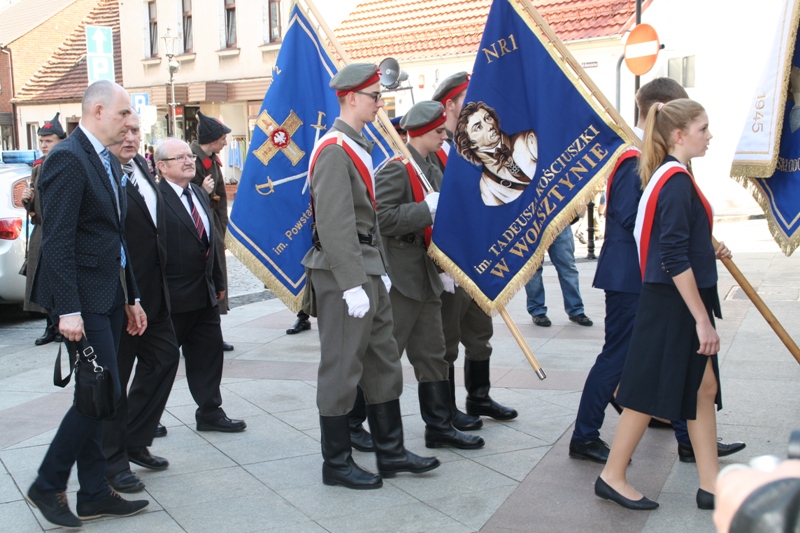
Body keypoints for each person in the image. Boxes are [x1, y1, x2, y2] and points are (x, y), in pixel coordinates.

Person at [569, 78, 745, 465]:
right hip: (633, 278)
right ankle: (584, 436)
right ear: (662, 111)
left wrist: (700, 242)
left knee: (679, 359)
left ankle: (690, 439)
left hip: (655, 277)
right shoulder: (634, 159)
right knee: (619, 358)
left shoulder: (658, 160)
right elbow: (637, 222)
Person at [302, 63, 439, 489]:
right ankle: (336, 463)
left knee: (382, 362)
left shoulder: (356, 145)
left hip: (369, 267)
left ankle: (391, 452)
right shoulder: (333, 149)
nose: (381, 103)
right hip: (344, 272)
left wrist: (378, 270)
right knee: (342, 368)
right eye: (375, 96)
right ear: (351, 99)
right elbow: (334, 223)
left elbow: (370, 219)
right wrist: (350, 282)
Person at [26, 80, 149, 528]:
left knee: (102, 395)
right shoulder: (67, 158)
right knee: (101, 393)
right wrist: (68, 309)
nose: (128, 124)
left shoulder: (104, 160)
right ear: (97, 111)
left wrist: (131, 295)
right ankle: (48, 482)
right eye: (123, 115)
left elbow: (113, 238)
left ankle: (94, 491)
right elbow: (57, 241)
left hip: (109, 296)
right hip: (84, 301)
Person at [596, 98, 727, 511]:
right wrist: (702, 320)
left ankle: (711, 485)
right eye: (703, 128)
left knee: (703, 388)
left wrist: (709, 249)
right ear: (679, 134)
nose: (709, 136)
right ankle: (612, 476)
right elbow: (671, 256)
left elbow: (679, 242)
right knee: (645, 391)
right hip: (674, 302)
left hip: (677, 299)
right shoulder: (673, 181)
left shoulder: (671, 176)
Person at [375, 100, 484, 450]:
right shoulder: (397, 168)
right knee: (385, 355)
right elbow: (383, 218)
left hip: (428, 274)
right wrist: (424, 210)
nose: (444, 136)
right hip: (403, 275)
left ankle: (439, 427)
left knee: (433, 353)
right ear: (421, 132)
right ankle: (354, 423)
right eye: (438, 131)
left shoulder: (432, 167)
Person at [431, 71, 518, 430]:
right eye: (467, 99)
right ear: (450, 105)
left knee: (480, 330)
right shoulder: (436, 149)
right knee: (448, 337)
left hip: (478, 256)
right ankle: (448, 409)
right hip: (452, 260)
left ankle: (478, 395)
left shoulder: (473, 146)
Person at [103, 113, 180, 493]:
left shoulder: (142, 170)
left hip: (155, 295)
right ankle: (112, 461)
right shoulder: (103, 173)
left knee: (165, 358)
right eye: (124, 132)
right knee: (114, 379)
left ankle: (135, 438)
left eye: (136, 131)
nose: (130, 138)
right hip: (120, 299)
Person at [156, 138, 247, 433]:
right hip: (171, 297)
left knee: (208, 356)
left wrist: (218, 282)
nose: (188, 161)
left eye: (189, 156)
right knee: (160, 363)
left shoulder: (196, 192)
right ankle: (145, 416)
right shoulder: (154, 199)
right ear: (161, 167)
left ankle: (210, 411)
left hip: (204, 293)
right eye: (179, 157)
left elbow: (211, 242)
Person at [22, 113, 66, 345]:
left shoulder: (66, 163)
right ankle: (50, 326)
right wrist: (26, 199)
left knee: (57, 278)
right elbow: (34, 204)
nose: (44, 145)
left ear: (61, 140)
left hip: (58, 231)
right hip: (41, 230)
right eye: (41, 141)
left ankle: (61, 325)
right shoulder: (38, 167)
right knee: (40, 279)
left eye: (49, 141)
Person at [191, 111, 234, 352]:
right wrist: (200, 189)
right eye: (222, 137)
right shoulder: (190, 159)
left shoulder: (213, 160)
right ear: (212, 139)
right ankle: (196, 337)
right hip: (195, 229)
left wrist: (224, 233)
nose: (226, 141)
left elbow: (220, 201)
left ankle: (213, 334)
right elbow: (177, 195)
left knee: (218, 280)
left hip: (213, 228)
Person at [453, 101, 537, 206]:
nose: (489, 126)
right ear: (470, 144)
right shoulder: (486, 186)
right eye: (478, 127)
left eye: (488, 118)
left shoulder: (528, 139)